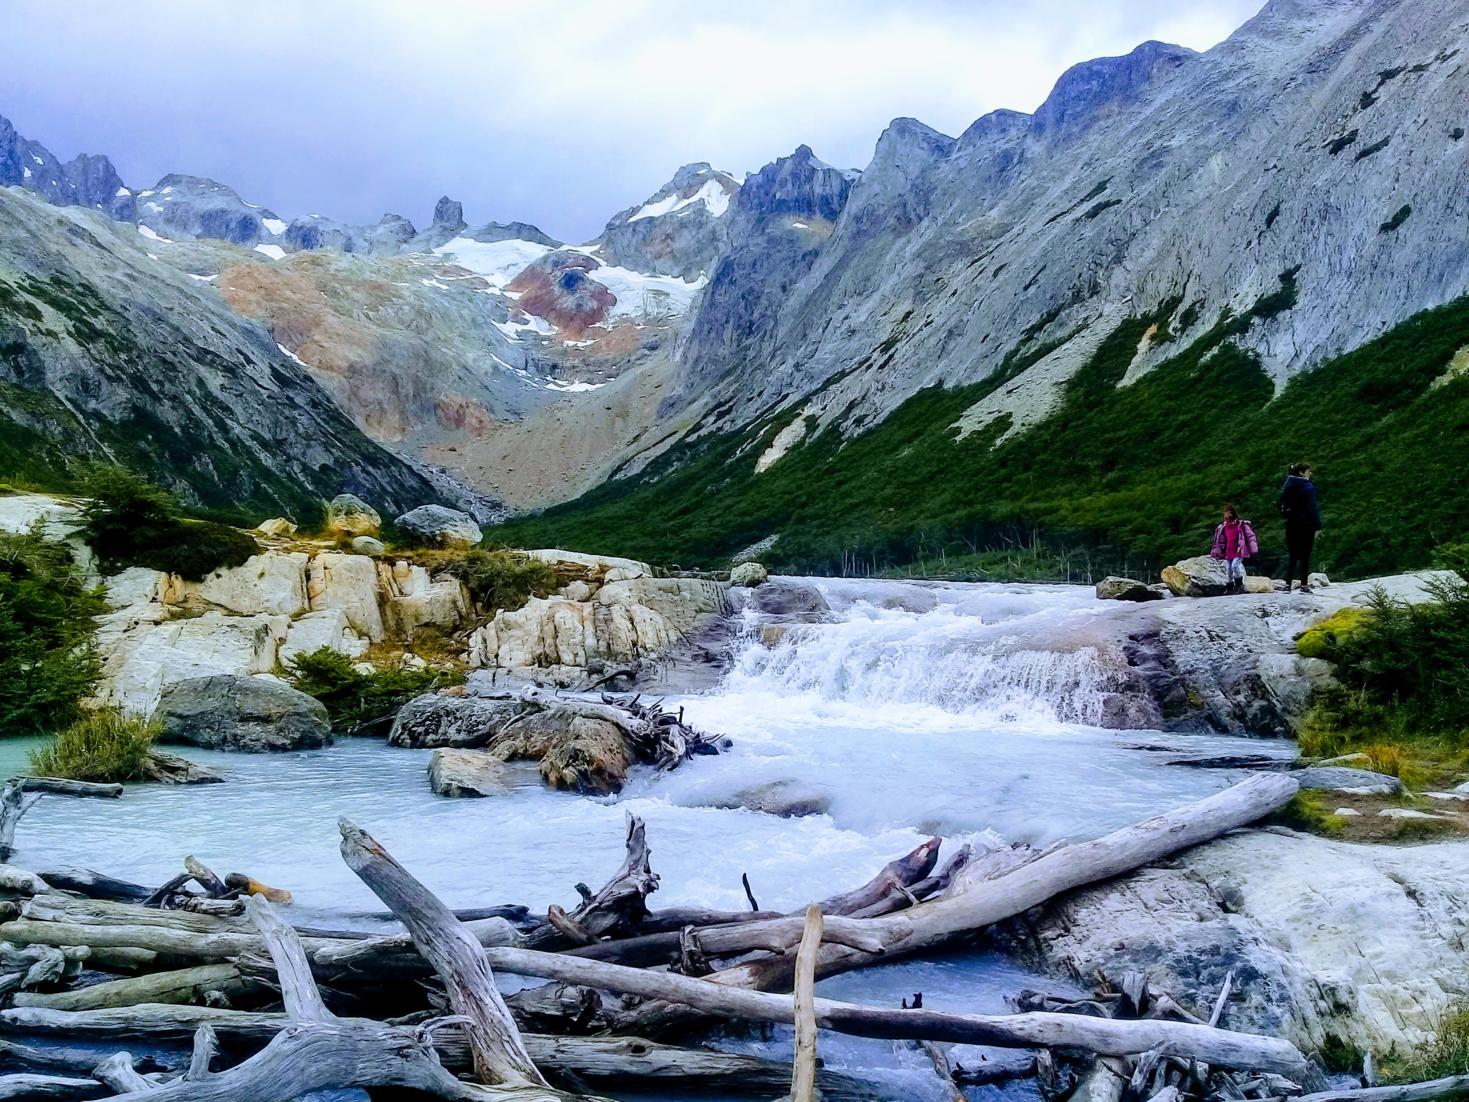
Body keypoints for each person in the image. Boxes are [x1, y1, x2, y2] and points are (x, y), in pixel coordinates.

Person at [1277, 462, 1323, 594]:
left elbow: (1280, 503)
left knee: (1293, 554)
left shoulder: (1287, 485)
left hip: (1291, 523)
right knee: (1305, 554)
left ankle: (1287, 584)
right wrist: (1317, 526)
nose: (1310, 474)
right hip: (1306, 524)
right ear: (1302, 473)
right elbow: (1312, 508)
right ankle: (1303, 585)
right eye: (1308, 471)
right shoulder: (1307, 487)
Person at [1210, 503, 1258, 595]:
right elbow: (1219, 540)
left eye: (1228, 513)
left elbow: (1250, 536)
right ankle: (1230, 587)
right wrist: (1218, 551)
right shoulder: (1223, 527)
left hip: (1239, 550)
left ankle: (1239, 584)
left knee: (1235, 566)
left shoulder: (1241, 525)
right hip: (1229, 550)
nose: (1226, 515)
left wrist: (1253, 548)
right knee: (1229, 569)